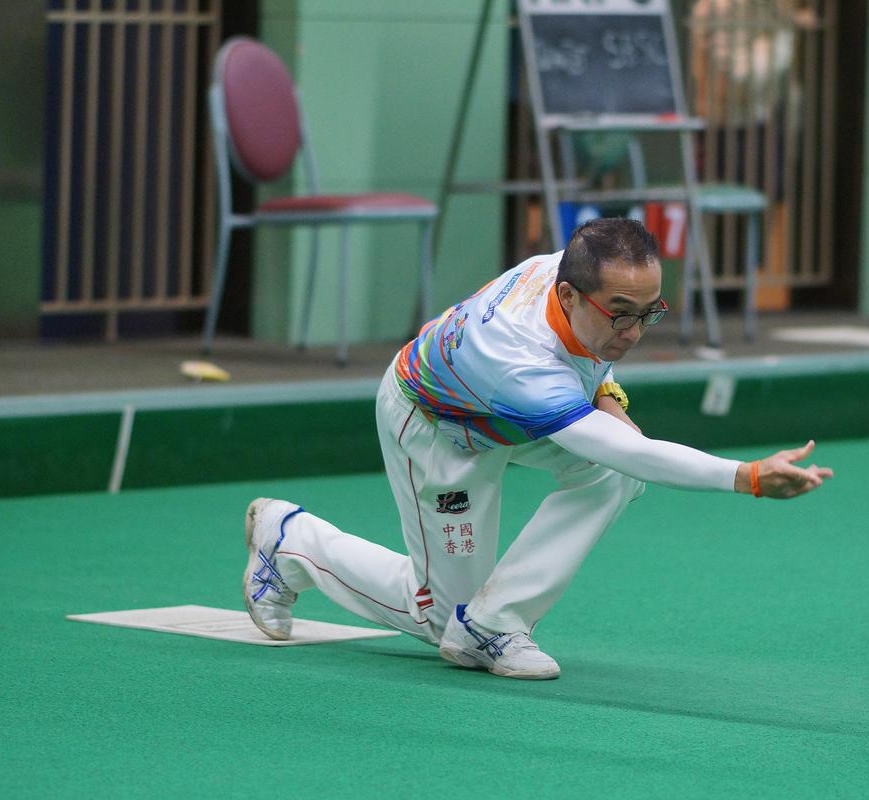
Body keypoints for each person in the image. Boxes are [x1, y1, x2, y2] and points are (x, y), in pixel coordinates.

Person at [242, 218, 833, 680]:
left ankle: (496, 622)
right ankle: (291, 542)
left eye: (649, 312)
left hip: (508, 417)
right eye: (621, 316)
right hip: (437, 427)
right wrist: (747, 475)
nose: (632, 332)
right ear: (570, 295)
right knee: (440, 618)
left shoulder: (585, 278)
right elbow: (622, 444)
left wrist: (610, 391)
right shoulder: (517, 354)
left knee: (611, 471)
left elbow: (596, 380)